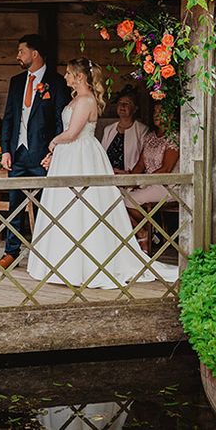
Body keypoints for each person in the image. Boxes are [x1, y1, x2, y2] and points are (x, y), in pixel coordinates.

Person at [27, 58, 176, 288]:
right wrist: (55, 154)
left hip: (81, 156)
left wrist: (53, 143)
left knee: (84, 204)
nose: (65, 77)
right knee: (64, 203)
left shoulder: (86, 100)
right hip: (70, 155)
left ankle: (88, 261)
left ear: (79, 76)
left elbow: (73, 132)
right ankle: (61, 260)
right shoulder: (76, 99)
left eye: (68, 73)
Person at [0, 34, 69, 271]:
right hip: (17, 154)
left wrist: (53, 152)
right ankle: (10, 252)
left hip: (42, 155)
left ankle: (44, 256)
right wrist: (5, 150)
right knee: (14, 205)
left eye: (21, 51)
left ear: (34, 54)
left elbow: (60, 121)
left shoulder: (56, 83)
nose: (18, 56)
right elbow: (9, 118)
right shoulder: (16, 82)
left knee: (44, 207)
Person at [126, 103, 180, 252]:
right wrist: (127, 177)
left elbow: (166, 169)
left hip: (167, 186)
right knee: (115, 196)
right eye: (155, 111)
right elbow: (139, 166)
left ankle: (148, 231)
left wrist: (143, 181)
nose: (156, 114)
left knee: (128, 200)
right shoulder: (150, 137)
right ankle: (145, 232)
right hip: (148, 182)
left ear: (170, 116)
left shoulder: (174, 138)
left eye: (161, 111)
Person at [100, 86, 148, 174]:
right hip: (108, 175)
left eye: (127, 103)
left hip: (130, 176)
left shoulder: (142, 130)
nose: (122, 106)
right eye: (120, 102)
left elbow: (144, 159)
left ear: (135, 108)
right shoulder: (108, 129)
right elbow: (102, 155)